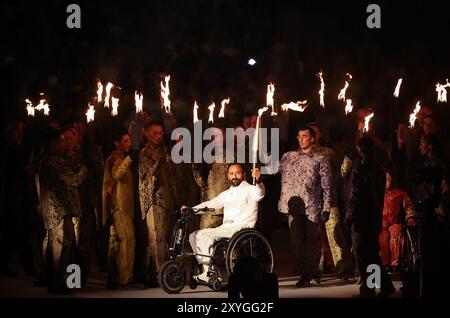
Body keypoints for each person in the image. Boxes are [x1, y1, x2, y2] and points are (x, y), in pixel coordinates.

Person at [265, 126, 332, 287]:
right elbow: (273, 169)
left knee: (313, 242)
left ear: (312, 139)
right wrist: (265, 152)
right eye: (299, 136)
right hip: (293, 207)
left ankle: (314, 273)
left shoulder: (320, 159)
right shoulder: (289, 156)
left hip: (312, 206)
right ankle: (304, 274)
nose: (301, 139)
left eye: (305, 136)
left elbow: (327, 185)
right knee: (297, 244)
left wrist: (326, 207)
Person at [186, 163, 264, 282]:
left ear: (244, 175)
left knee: (203, 235)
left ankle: (209, 272)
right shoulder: (227, 194)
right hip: (227, 227)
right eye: (232, 173)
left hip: (242, 228)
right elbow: (211, 204)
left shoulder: (250, 189)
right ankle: (208, 269)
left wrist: (259, 181)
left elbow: (259, 194)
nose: (234, 176)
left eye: (237, 173)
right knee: (193, 236)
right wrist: (191, 210)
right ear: (228, 176)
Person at [345, 137, 395, 297]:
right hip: (373, 216)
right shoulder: (378, 169)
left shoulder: (362, 169)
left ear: (360, 149)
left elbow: (356, 195)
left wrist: (350, 215)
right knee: (371, 253)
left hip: (362, 217)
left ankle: (370, 287)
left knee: (363, 254)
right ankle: (380, 286)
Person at [102, 132, 136, 289]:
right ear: (117, 143)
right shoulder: (115, 159)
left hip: (118, 206)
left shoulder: (118, 158)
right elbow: (118, 174)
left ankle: (112, 278)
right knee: (127, 240)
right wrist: (129, 159)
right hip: (119, 206)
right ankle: (124, 280)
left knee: (114, 242)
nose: (129, 143)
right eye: (126, 141)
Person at [378, 170, 415, 272]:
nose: (387, 181)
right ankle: (384, 264)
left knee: (395, 232)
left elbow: (408, 207)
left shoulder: (399, 194)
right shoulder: (376, 195)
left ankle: (396, 263)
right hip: (380, 224)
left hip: (394, 223)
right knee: (381, 236)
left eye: (389, 179)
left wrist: (410, 217)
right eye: (385, 179)